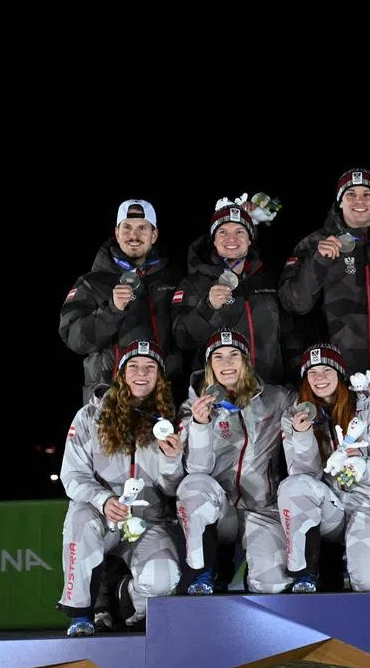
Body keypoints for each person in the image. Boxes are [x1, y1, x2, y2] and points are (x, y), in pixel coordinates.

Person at [57, 340, 183, 636]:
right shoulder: (90, 416)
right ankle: (80, 614)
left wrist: (171, 459)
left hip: (149, 518)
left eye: (150, 367)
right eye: (134, 366)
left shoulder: (170, 420)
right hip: (103, 515)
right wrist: (103, 500)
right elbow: (72, 475)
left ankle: (120, 599)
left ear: (159, 376)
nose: (142, 373)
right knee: (80, 520)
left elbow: (172, 486)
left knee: (163, 580)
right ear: (121, 374)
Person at [175, 329, 294, 595]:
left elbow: (315, 409)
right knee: (193, 486)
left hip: (261, 508)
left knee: (272, 585)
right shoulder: (192, 407)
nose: (227, 363)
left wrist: (368, 398)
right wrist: (200, 425)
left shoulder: (276, 399)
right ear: (209, 366)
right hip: (221, 512)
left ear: (246, 361)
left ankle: (256, 566)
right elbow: (197, 471)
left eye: (234, 355)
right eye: (218, 357)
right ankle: (204, 571)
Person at [277, 343, 370, 592]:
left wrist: (361, 467)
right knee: (292, 487)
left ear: (339, 373)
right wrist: (302, 436)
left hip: (368, 505)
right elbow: (303, 479)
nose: (319, 378)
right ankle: (304, 575)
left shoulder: (369, 408)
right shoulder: (294, 415)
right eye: (312, 372)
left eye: (326, 370)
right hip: (328, 508)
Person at [278, 168, 370, 394]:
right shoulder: (314, 243)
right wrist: (318, 263)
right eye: (350, 194)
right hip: (334, 379)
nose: (359, 200)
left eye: (367, 194)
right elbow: (293, 304)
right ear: (339, 202)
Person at [60, 199, 182, 404]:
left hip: (161, 397)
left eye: (142, 228)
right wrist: (112, 310)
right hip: (108, 396)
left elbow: (188, 337)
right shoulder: (91, 283)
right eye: (127, 228)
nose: (133, 236)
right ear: (117, 233)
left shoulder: (172, 279)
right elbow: (74, 339)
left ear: (154, 235)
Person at [172, 199, 291, 384]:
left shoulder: (269, 277)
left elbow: (289, 336)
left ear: (250, 238)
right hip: (219, 396)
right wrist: (209, 307)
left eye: (240, 231)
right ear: (213, 239)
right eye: (223, 232)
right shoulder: (193, 283)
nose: (231, 239)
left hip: (269, 391)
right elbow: (182, 340)